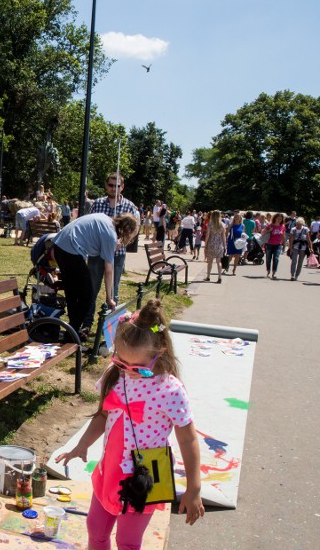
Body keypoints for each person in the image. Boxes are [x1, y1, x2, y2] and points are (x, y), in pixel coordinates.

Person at [54, 299, 204, 550]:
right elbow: (103, 416)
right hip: (112, 465)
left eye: (139, 368)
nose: (129, 371)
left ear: (161, 350)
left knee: (128, 542)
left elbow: (188, 440)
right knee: (95, 529)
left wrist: (194, 488)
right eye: (122, 362)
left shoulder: (170, 390)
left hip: (150, 471)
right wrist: (82, 445)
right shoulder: (115, 376)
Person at [53, 213, 139, 341]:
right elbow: (108, 270)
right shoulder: (111, 236)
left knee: (73, 293)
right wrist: (110, 298)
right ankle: (71, 335)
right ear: (128, 231)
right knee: (87, 295)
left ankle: (72, 331)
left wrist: (111, 247)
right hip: (71, 250)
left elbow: (94, 246)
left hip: (59, 244)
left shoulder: (106, 220)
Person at [85, 173, 141, 329]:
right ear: (106, 185)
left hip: (117, 255)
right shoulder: (97, 204)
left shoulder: (129, 206)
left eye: (117, 186)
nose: (113, 189)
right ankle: (86, 324)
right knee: (92, 290)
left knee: (113, 291)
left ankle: (110, 328)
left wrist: (122, 240)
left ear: (122, 187)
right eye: (110, 185)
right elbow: (91, 225)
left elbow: (135, 229)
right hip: (96, 254)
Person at [203, 210, 226, 283]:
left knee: (210, 262)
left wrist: (205, 244)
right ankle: (219, 277)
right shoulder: (222, 224)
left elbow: (207, 235)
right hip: (219, 244)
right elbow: (223, 236)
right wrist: (225, 245)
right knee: (218, 262)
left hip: (211, 244)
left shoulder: (210, 224)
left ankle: (208, 276)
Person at [262, 213, 286, 279]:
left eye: (280, 218)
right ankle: (268, 270)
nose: (279, 219)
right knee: (268, 258)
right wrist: (269, 230)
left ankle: (274, 272)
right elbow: (262, 232)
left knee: (276, 258)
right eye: (278, 218)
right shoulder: (270, 225)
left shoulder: (283, 226)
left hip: (278, 244)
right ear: (275, 218)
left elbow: (283, 236)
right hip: (269, 244)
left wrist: (284, 245)